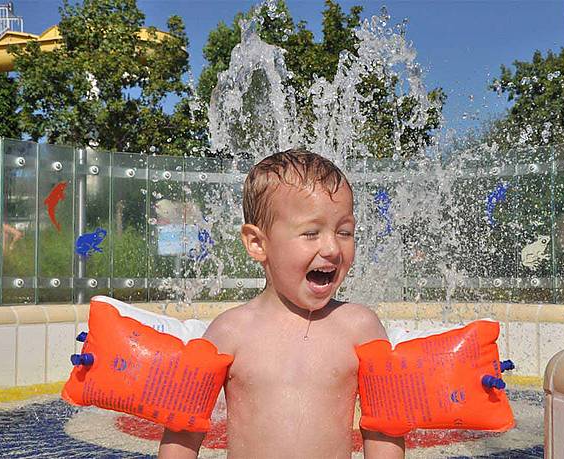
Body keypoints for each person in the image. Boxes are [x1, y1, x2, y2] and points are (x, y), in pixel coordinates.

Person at [158, 149, 405, 458]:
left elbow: (382, 429)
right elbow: (184, 430)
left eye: (344, 231)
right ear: (258, 243)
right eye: (311, 233)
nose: (331, 247)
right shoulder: (230, 331)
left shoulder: (359, 327)